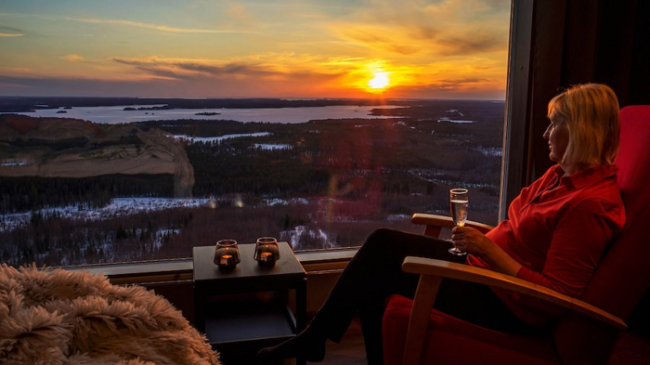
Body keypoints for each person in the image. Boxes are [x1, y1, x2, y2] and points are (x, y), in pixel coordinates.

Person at [257, 83, 626, 364]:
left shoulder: (589, 206)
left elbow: (557, 298)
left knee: (383, 261)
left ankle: (315, 338)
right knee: (382, 249)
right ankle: (319, 338)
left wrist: (488, 250)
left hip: (507, 303)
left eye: (554, 125)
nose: (545, 134)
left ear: (580, 130)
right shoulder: (561, 175)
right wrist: (485, 247)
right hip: (484, 269)